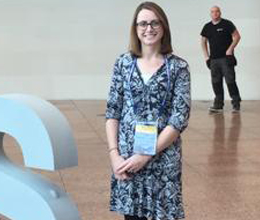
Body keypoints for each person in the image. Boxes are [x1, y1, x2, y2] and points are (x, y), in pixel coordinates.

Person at [105, 2, 190, 219]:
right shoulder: (123, 63)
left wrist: (146, 154)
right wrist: (114, 154)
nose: (148, 28)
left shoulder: (178, 67)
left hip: (163, 158)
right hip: (127, 158)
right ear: (135, 28)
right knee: (132, 216)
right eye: (142, 23)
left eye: (154, 22)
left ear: (163, 27)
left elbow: (179, 118)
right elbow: (113, 111)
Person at [200, 5, 241, 113]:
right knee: (216, 82)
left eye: (217, 11)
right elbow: (203, 42)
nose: (215, 13)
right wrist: (206, 57)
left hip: (226, 59)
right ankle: (218, 105)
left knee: (230, 81)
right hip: (213, 60)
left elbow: (237, 36)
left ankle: (236, 104)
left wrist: (230, 49)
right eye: (212, 12)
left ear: (220, 13)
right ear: (210, 14)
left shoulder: (227, 24)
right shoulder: (207, 27)